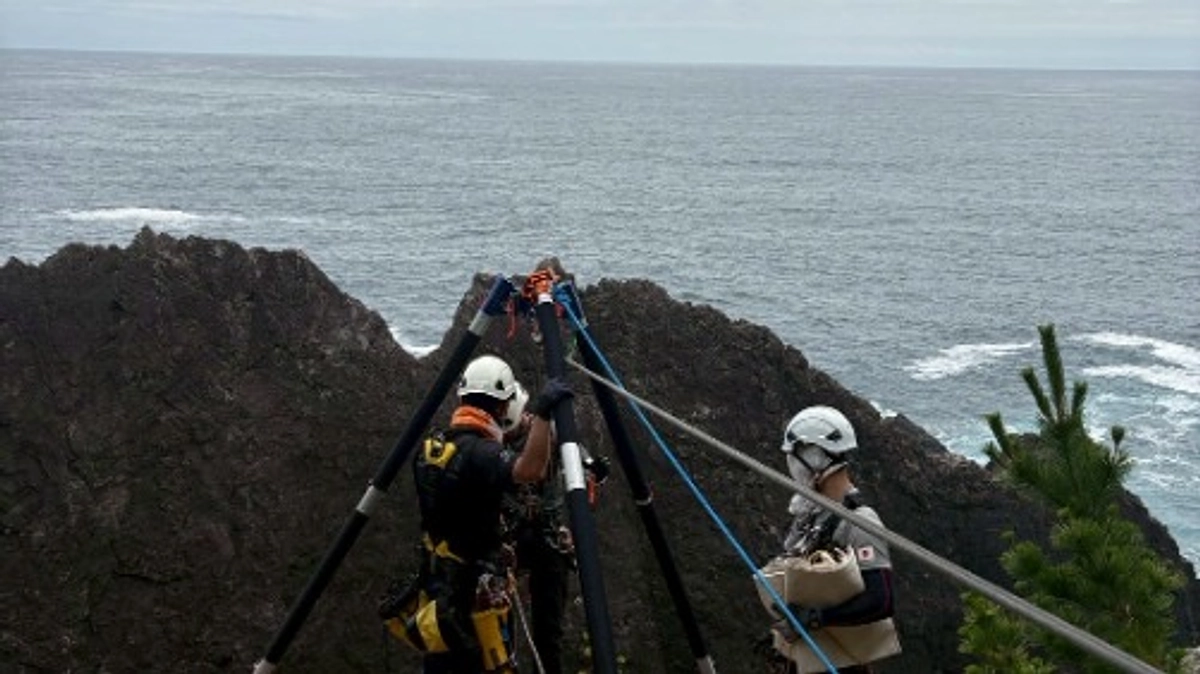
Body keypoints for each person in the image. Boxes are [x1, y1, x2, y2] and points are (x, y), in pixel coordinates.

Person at [401, 354, 573, 674]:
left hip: (437, 589)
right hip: (471, 592)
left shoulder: (432, 449)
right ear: (502, 407)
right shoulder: (482, 453)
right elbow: (530, 469)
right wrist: (543, 415)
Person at [767, 405, 897, 674]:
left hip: (838, 664)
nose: (791, 466)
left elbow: (880, 599)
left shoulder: (859, 520)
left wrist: (818, 618)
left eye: (794, 456)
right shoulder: (810, 515)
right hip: (806, 659)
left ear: (815, 456)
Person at [498, 381, 573, 674]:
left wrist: (590, 466)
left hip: (546, 535)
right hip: (508, 539)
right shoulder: (490, 442)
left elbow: (576, 460)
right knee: (499, 629)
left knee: (548, 633)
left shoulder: (547, 433)